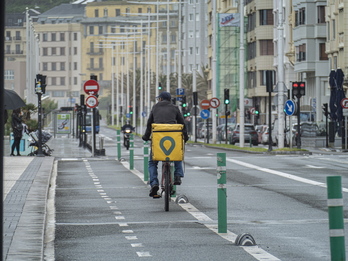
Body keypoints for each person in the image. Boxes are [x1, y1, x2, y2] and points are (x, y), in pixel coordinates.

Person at [142, 91, 189, 197]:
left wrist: (146, 137)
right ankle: (178, 175)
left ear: (161, 99)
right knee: (177, 154)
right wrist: (185, 137)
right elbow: (182, 124)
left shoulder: (155, 108)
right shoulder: (175, 108)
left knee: (152, 162)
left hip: (158, 139)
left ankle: (154, 183)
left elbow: (149, 124)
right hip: (173, 139)